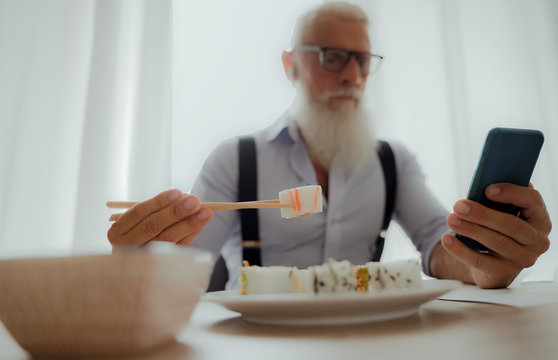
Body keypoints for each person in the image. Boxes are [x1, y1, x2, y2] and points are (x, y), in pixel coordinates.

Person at [107, 2, 551, 289]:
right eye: (332, 57)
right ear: (290, 66)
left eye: (362, 60)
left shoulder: (393, 162)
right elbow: (184, 266)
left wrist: (485, 261)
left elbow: (439, 246)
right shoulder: (234, 160)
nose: (352, 77)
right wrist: (144, 259)